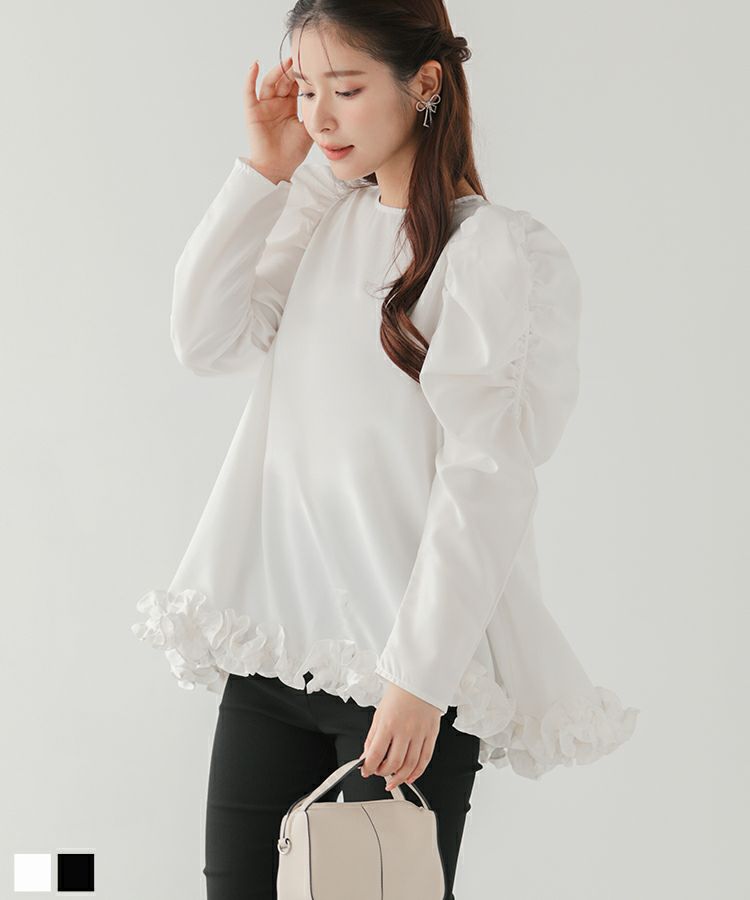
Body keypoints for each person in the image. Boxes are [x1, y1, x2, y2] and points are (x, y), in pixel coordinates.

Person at [131, 2, 639, 897]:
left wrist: (419, 680)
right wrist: (265, 169)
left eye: (347, 88)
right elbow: (203, 339)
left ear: (424, 83)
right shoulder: (321, 212)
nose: (319, 116)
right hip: (276, 650)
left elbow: (485, 481)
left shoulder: (490, 253)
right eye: (307, 88)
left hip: (402, 677)